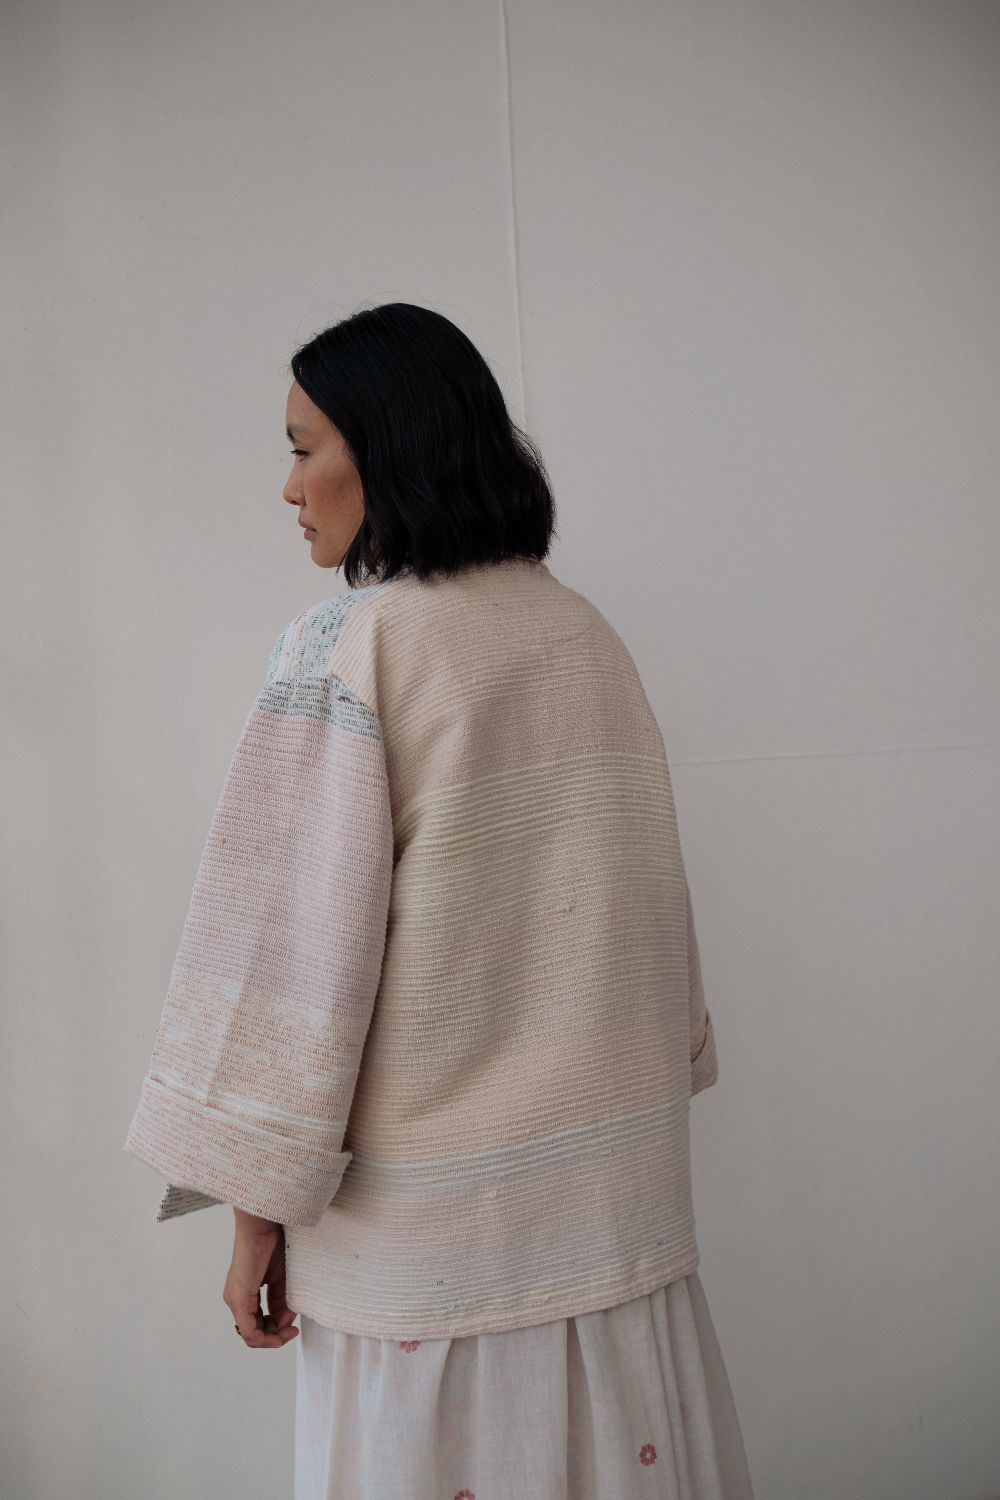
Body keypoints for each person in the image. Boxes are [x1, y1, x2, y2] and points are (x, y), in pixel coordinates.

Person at [123, 301, 756, 1499]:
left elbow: (287, 963)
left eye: (304, 448)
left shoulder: (353, 647)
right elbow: (647, 933)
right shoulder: (584, 636)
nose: (289, 486)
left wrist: (255, 1215)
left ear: (386, 446)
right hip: (615, 1237)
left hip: (429, 1274)